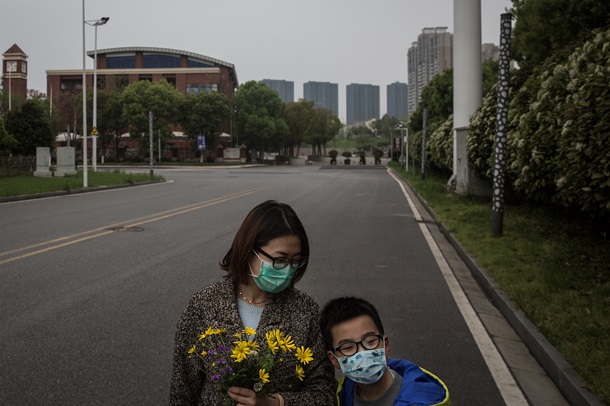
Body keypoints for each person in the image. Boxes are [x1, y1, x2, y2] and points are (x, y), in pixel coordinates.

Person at [170, 200, 337, 405]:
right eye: (280, 260)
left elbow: (324, 393)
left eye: (295, 261)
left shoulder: (305, 311)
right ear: (249, 250)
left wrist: (276, 403)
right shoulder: (204, 305)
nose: (288, 270)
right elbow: (182, 391)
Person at [320, 297, 450, 406]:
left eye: (370, 341)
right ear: (333, 359)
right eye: (348, 347)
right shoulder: (341, 395)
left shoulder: (422, 400)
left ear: (385, 344)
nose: (362, 353)